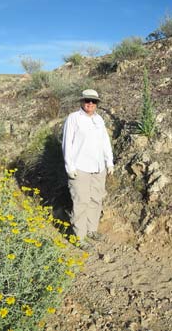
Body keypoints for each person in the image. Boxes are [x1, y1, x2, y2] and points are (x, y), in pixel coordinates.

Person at [62, 89, 114, 249]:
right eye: (87, 100)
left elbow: (105, 142)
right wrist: (69, 166)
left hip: (98, 167)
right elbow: (67, 144)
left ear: (97, 103)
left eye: (93, 101)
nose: (90, 104)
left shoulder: (99, 120)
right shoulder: (73, 118)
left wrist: (109, 161)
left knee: (96, 200)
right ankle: (80, 237)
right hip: (80, 168)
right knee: (81, 202)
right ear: (82, 101)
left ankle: (92, 230)